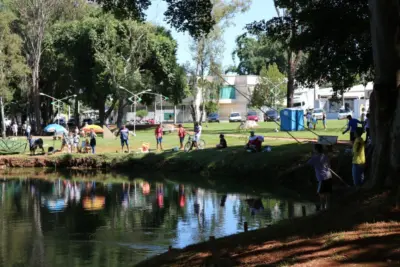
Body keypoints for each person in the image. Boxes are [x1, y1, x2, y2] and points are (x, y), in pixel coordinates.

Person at [307, 144, 332, 210]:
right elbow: (329, 165)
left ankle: (323, 208)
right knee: (328, 193)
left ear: (316, 150)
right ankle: (328, 208)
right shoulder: (325, 156)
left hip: (322, 178)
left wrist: (312, 156)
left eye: (314, 149)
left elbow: (308, 163)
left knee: (321, 194)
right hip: (329, 176)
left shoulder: (315, 158)